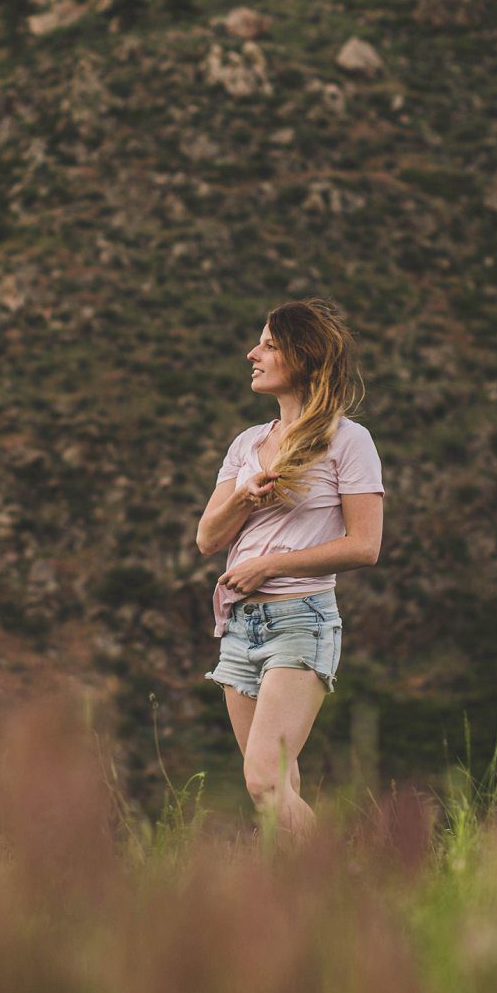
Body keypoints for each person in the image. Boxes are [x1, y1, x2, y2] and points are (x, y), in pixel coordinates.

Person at [195, 299, 385, 838]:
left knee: (264, 782)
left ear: (302, 357)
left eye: (269, 345)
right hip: (239, 627)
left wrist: (269, 566)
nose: (252, 354)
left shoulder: (348, 440)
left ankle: (354, 872)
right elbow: (207, 538)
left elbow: (365, 545)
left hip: (301, 619)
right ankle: (312, 889)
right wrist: (244, 498)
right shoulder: (248, 444)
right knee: (277, 789)